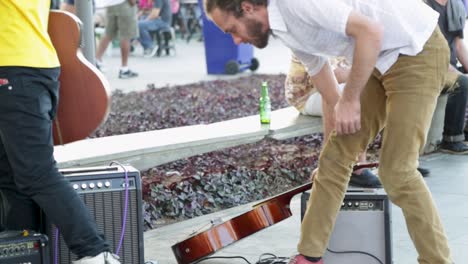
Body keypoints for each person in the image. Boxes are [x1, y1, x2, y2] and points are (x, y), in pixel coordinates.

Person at [203, 0, 452, 263]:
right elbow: (320, 71)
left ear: (247, 8)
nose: (237, 41)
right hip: (377, 59)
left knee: (398, 171)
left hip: (417, 51)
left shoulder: (295, 5)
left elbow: (370, 31)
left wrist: (350, 100)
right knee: (334, 158)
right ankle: (309, 257)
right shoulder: (283, 27)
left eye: (232, 29)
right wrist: (342, 119)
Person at [0, 1, 120, 264]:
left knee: (36, 173)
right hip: (29, 65)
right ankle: (25, 256)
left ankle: (95, 253)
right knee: (11, 177)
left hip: (15, 67)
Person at [286, 56, 382, 187]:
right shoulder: (319, 37)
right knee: (357, 95)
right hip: (308, 95)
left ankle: (400, 162)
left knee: (381, 89)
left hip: (332, 86)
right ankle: (357, 167)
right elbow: (333, 77)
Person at [425, 0, 468, 154]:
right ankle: (452, 139)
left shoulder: (456, 6)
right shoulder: (424, 5)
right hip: (428, 65)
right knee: (462, 83)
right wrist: (457, 73)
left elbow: (458, 45)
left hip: (449, 65)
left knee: (464, 78)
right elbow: (427, 49)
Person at [95, 0, 139, 79]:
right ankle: (124, 69)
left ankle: (97, 61)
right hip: (124, 4)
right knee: (126, 35)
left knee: (108, 33)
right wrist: (133, 2)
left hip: (110, 5)